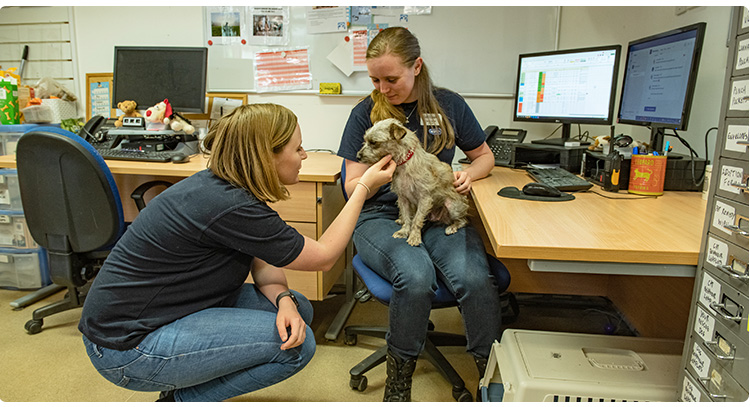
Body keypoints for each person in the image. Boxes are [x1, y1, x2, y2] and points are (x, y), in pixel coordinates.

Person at [78, 103, 395, 402]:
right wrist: (364, 188)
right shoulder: (230, 205)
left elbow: (263, 258)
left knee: (299, 310)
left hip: (165, 311)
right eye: (297, 148)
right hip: (127, 346)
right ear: (266, 155)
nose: (303, 156)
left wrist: (284, 299)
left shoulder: (228, 188)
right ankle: (180, 400)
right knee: (296, 347)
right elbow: (324, 256)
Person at [337, 27, 503, 402]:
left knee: (474, 278)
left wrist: (468, 174)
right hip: (382, 215)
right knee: (414, 276)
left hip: (437, 209)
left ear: (417, 66)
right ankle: (398, 387)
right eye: (375, 79)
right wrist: (377, 178)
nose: (382, 87)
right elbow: (351, 187)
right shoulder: (365, 113)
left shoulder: (449, 105)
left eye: (391, 78)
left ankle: (491, 379)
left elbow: (485, 156)